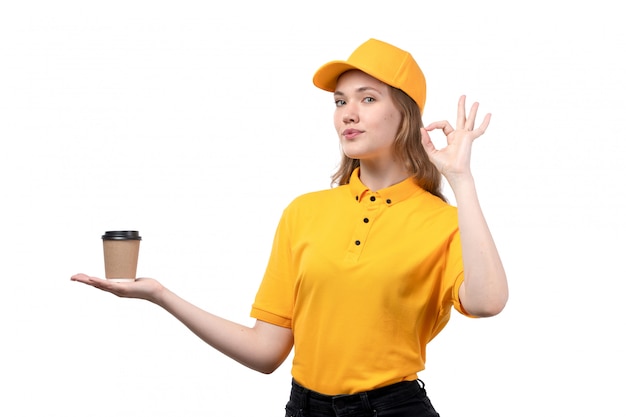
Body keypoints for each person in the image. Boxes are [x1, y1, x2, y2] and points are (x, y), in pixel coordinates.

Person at [72, 38, 508, 417]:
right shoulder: (303, 212)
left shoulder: (444, 223)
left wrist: (461, 181)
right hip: (304, 408)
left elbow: (487, 302)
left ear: (406, 116)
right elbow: (266, 352)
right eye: (340, 102)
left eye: (368, 99)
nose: (348, 114)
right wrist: (160, 295)